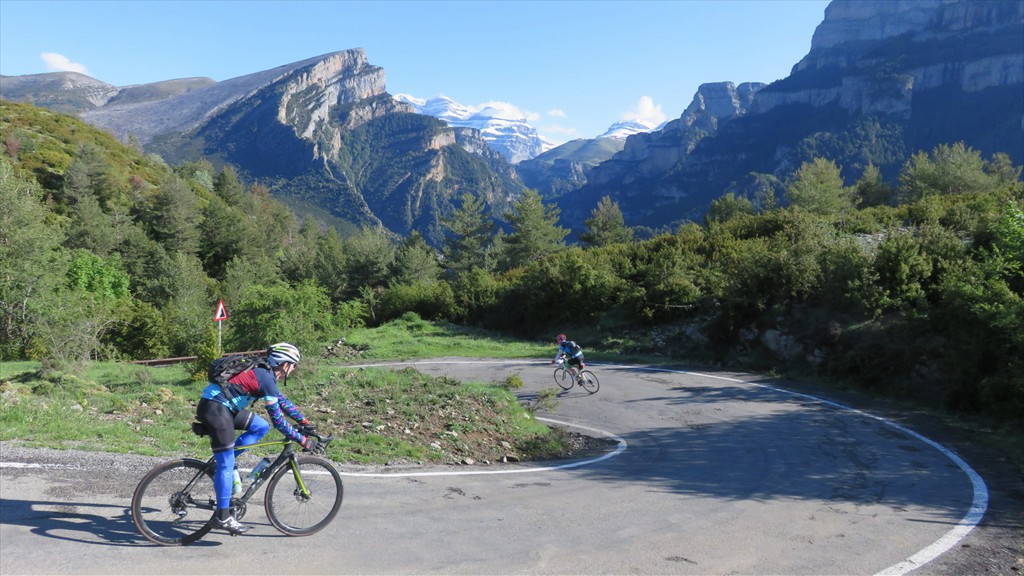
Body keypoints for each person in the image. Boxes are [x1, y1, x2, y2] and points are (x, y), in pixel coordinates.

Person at [195, 342, 321, 535]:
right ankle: (222, 517)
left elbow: (282, 402)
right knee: (226, 463)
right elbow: (278, 421)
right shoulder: (266, 377)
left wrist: (305, 422)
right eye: (293, 365)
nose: (294, 369)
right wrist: (302, 440)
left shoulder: (265, 372)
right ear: (285, 363)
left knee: (260, 426)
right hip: (216, 410)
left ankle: (228, 462)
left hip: (224, 408)